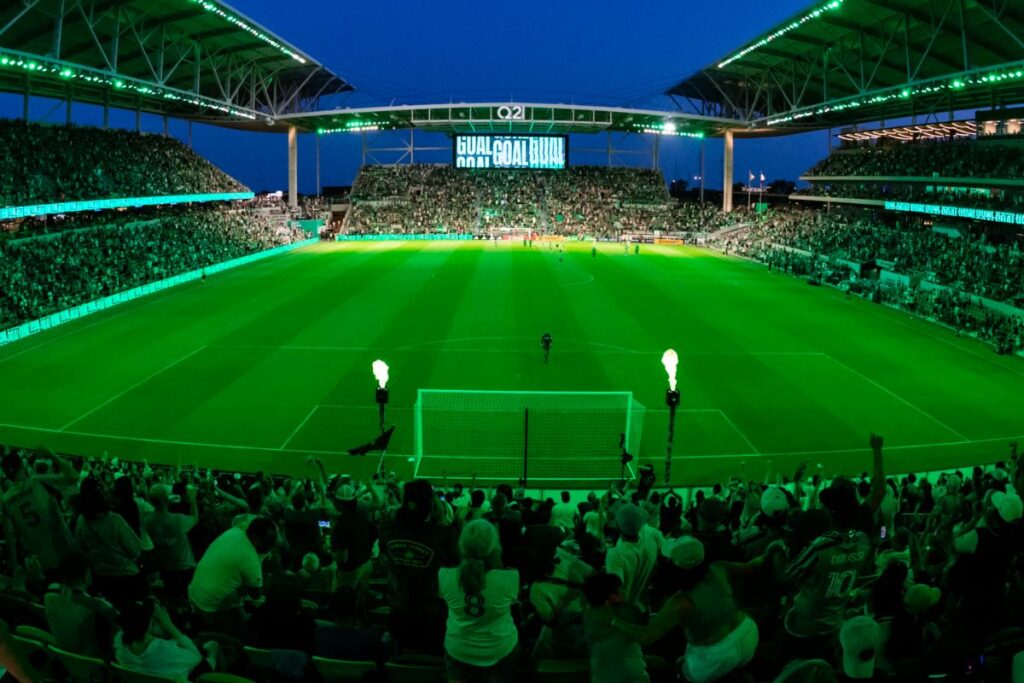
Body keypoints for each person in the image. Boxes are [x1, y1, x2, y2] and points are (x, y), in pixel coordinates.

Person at [600, 536, 762, 683]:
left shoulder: (680, 602)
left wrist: (611, 620)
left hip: (716, 654)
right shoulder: (719, 568)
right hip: (748, 632)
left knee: (678, 671)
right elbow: (751, 568)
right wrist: (769, 554)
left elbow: (646, 636)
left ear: (675, 568)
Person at [438, 520, 520, 682]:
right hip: (500, 648)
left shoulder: (444, 575)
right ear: (494, 547)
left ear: (462, 545)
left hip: (458, 649)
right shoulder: (511, 577)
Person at [187, 517, 278, 633]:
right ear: (255, 538)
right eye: (268, 542)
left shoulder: (234, 531)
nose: (270, 546)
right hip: (210, 607)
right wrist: (267, 566)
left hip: (196, 592)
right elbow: (257, 593)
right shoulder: (249, 557)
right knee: (245, 632)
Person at [1, 448, 77, 582]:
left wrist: (15, 567)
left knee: (51, 598)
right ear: (22, 466)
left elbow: (10, 536)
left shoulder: (5, 500)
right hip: (64, 553)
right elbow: (73, 477)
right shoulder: (37, 481)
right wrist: (52, 455)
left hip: (40, 562)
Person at [73, 476, 145, 605]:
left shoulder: (81, 520)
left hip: (101, 577)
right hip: (126, 577)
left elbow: (81, 549)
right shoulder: (114, 520)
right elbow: (135, 550)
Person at [44, 552, 118, 658]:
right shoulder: (96, 608)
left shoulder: (49, 594)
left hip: (63, 658)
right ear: (87, 574)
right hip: (92, 664)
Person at [114, 600, 204, 683]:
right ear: (150, 623)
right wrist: (168, 624)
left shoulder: (119, 643)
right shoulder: (165, 649)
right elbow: (196, 657)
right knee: (212, 645)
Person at [583, 573, 649, 683]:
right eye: (621, 588)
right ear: (613, 597)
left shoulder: (586, 614)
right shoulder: (627, 612)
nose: (624, 591)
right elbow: (644, 636)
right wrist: (614, 621)